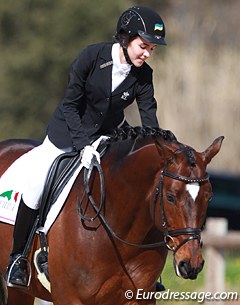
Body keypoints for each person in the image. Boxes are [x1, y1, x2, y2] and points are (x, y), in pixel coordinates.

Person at [5, 6, 167, 287]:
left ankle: (145, 267)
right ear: (125, 37)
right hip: (65, 137)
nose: (147, 54)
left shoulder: (143, 75)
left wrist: (160, 148)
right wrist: (82, 144)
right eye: (144, 46)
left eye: (151, 49)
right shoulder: (91, 57)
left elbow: (149, 117)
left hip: (105, 140)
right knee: (34, 186)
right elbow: (70, 105)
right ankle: (18, 258)